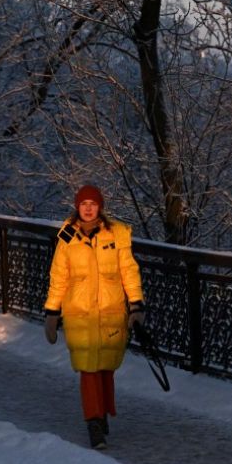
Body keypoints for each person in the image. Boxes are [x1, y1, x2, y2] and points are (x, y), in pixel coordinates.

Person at [43, 184, 145, 449]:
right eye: (83, 204)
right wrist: (52, 312)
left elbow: (129, 271)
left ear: (100, 207)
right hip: (79, 314)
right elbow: (58, 276)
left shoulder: (118, 234)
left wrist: (136, 304)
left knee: (105, 368)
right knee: (88, 369)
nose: (88, 209)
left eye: (93, 204)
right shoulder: (67, 236)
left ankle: (103, 413)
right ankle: (94, 423)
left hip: (111, 312)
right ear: (77, 207)